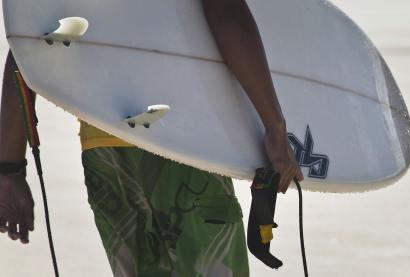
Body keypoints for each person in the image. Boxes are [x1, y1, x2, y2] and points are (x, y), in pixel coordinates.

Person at [0, 0, 303, 276]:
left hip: (105, 151)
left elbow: (29, 41)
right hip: (178, 142)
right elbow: (225, 12)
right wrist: (275, 128)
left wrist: (9, 169)